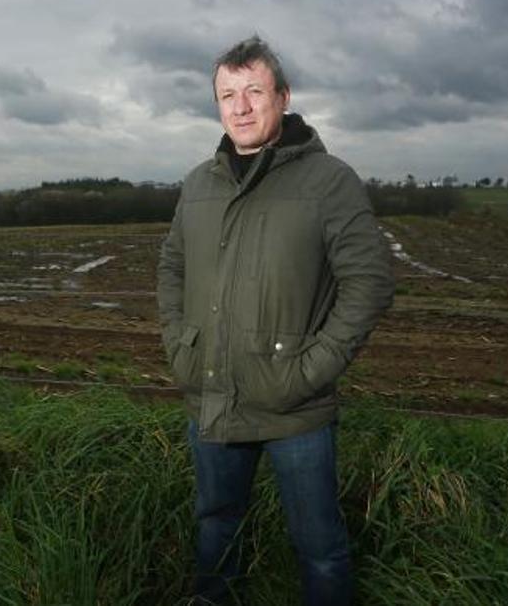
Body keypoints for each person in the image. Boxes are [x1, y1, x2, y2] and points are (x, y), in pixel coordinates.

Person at [156, 35, 394, 605]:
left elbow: (371, 281)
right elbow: (172, 265)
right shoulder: (198, 184)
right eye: (227, 94)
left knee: (318, 545)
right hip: (212, 393)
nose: (240, 107)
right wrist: (179, 343)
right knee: (216, 525)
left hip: (297, 406)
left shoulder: (328, 180)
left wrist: (311, 367)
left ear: (283, 98)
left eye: (254, 91)